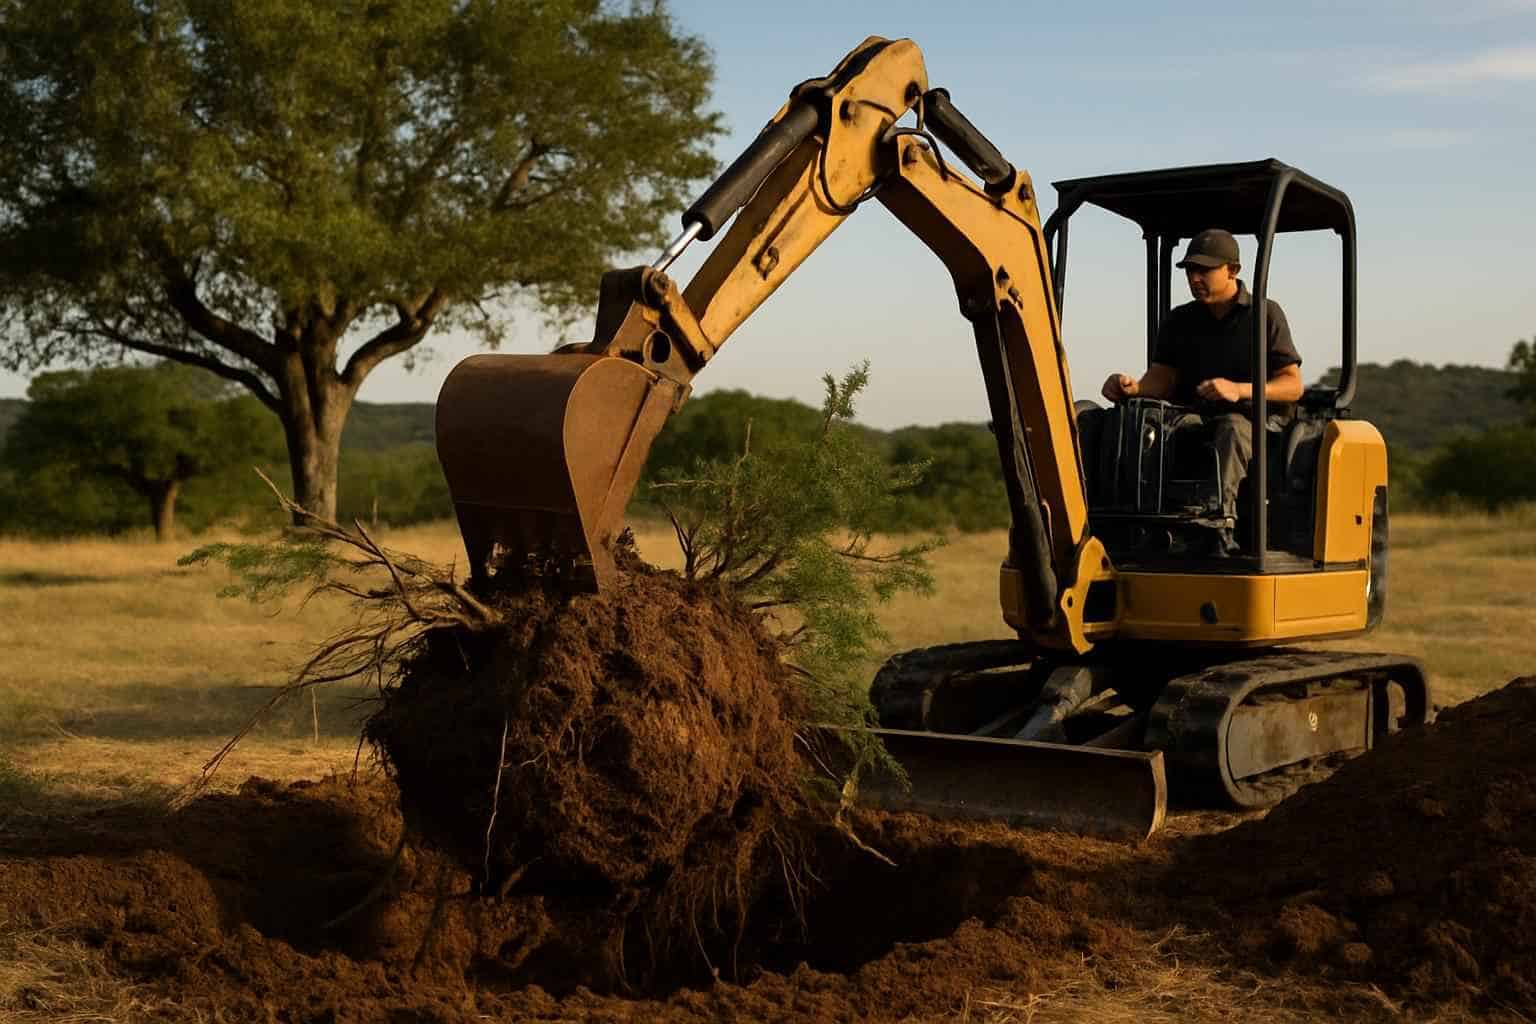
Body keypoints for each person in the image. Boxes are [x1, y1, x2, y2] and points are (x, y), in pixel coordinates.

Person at [1100, 228, 1303, 553]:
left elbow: (1292, 385)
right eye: (1191, 271)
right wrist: (1133, 387)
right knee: (1139, 424)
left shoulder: (1265, 314)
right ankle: (1128, 524)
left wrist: (1239, 391)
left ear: (1233, 270)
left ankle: (1216, 527)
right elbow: (1161, 379)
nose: (1195, 278)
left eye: (1204, 270)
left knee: (1233, 427)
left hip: (1258, 425)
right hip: (1196, 419)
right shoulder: (1181, 319)